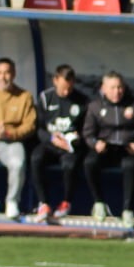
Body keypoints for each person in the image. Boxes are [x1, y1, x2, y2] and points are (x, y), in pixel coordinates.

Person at [82, 70, 134, 225]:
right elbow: (88, 133)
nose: (117, 91)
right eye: (112, 88)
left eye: (119, 87)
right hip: (105, 149)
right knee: (89, 163)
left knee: (130, 166)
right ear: (104, 89)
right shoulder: (95, 106)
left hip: (128, 149)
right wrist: (95, 144)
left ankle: (128, 210)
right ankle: (99, 203)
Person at [28, 64, 89, 220]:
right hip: (50, 143)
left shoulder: (82, 101)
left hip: (69, 147)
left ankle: (66, 202)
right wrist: (52, 138)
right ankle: (44, 203)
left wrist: (75, 138)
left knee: (69, 165)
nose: (66, 92)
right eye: (63, 88)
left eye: (69, 88)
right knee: (36, 158)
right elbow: (39, 128)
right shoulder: (45, 98)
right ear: (55, 80)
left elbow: (86, 130)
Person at [0, 58, 37, 219]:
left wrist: (9, 133)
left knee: (18, 163)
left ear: (13, 74)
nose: (3, 77)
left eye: (7, 72)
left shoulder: (24, 96)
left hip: (11, 141)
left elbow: (30, 125)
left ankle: (12, 201)